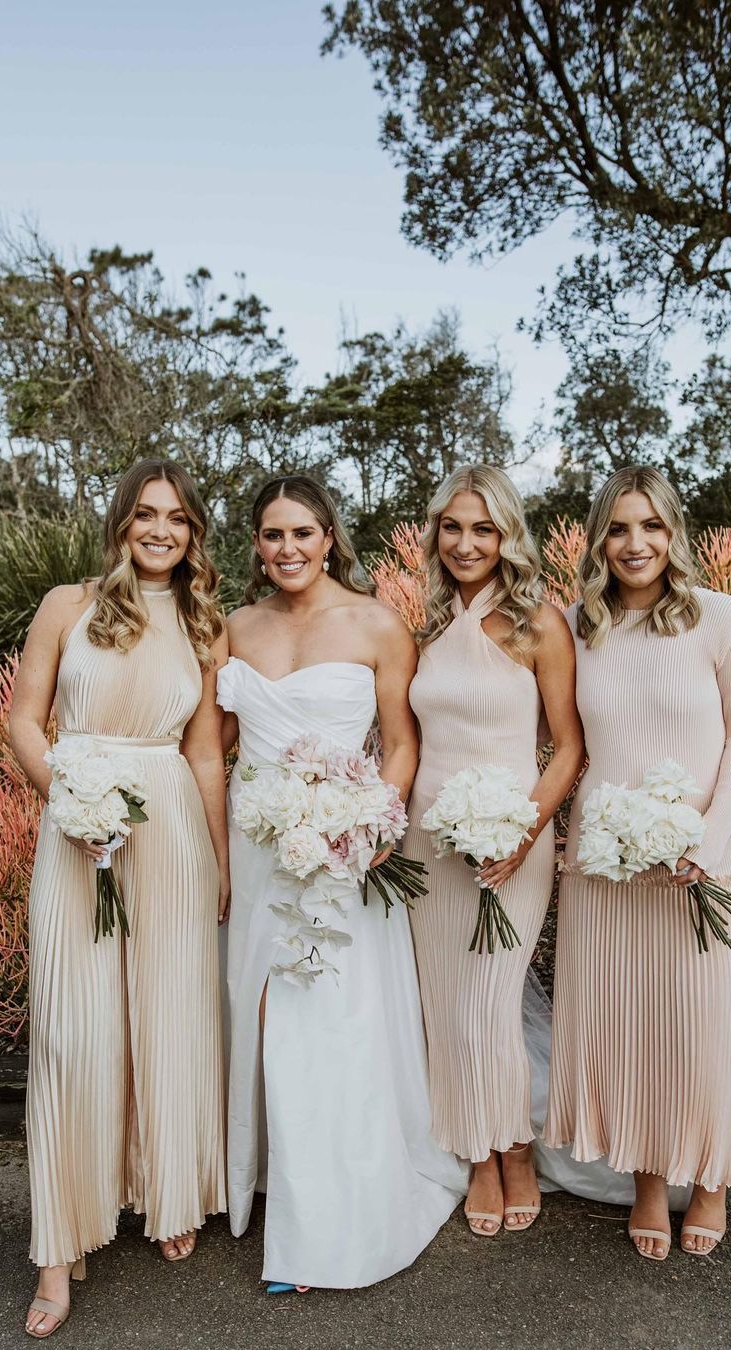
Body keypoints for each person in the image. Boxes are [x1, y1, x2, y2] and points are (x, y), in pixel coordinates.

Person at [217, 475, 466, 1292]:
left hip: (345, 851)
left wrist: (363, 824)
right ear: (256, 545)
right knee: (265, 1010)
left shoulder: (377, 624)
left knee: (330, 1015)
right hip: (260, 848)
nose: (287, 549)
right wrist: (223, 854)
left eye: (303, 533)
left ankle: (326, 1222)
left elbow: (401, 743)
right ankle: (269, 1181)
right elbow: (212, 747)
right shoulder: (233, 628)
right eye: (272, 535)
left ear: (330, 538)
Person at [10, 459, 229, 1337]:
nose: (160, 530)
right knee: (74, 1031)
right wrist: (66, 800)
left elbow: (208, 753)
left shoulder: (208, 623)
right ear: (121, 523)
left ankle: (169, 1191)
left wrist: (217, 861)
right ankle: (59, 1248)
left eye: (177, 518)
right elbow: (26, 719)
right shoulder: (68, 606)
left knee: (168, 1015)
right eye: (146, 515)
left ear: (193, 532)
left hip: (170, 827)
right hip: (77, 829)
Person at [544, 465, 731, 1261]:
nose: (634, 544)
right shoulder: (575, 626)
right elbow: (557, 737)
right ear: (599, 539)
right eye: (618, 528)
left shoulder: (722, 620)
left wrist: (712, 831)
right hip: (605, 866)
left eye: (651, 526)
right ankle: (645, 1178)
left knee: (703, 1024)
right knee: (625, 1023)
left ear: (675, 533)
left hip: (702, 862)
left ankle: (707, 1179)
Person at [403, 464, 584, 1237]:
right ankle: (479, 1153)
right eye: (453, 527)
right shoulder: (423, 628)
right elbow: (408, 741)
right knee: (446, 1006)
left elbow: (569, 749)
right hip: (427, 840)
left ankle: (514, 1148)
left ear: (508, 534)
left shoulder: (541, 624)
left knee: (491, 1003)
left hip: (515, 837)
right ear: (436, 534)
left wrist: (522, 833)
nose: (467, 543)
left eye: (483, 528)